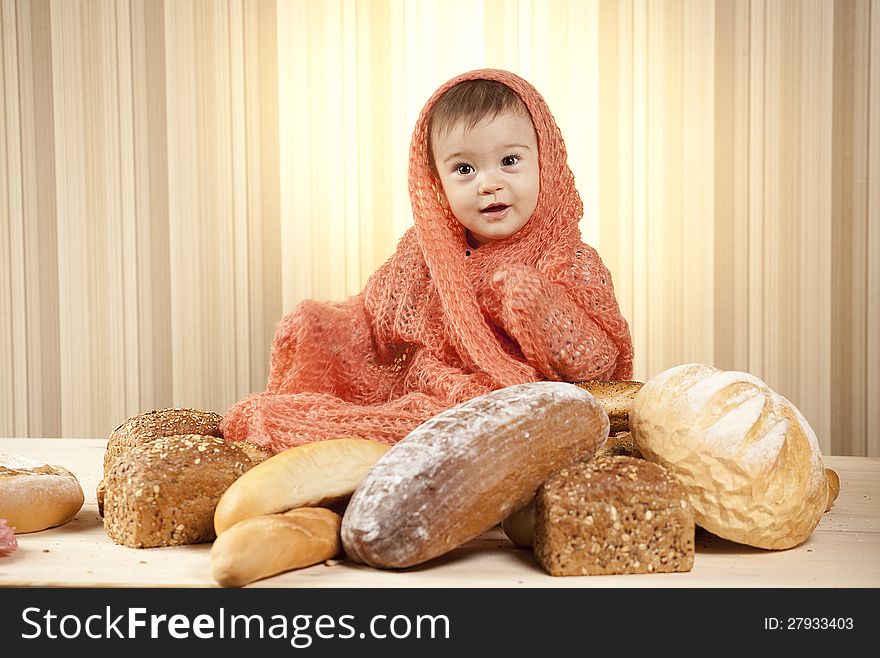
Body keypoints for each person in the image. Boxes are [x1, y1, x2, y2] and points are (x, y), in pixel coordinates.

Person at [221, 69, 633, 452]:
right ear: (435, 182)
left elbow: (599, 363)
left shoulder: (568, 260)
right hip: (423, 394)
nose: (490, 184)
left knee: (438, 427)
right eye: (465, 169)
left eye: (509, 161)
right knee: (319, 403)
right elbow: (374, 320)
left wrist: (539, 306)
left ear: (546, 162)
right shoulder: (426, 252)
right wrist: (323, 324)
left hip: (513, 405)